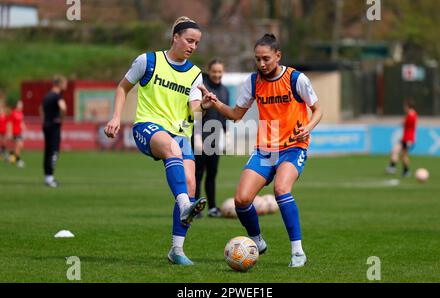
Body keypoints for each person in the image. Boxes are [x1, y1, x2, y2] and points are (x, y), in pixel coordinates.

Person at [200, 33, 323, 267]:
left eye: (266, 58)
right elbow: (237, 115)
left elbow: (317, 110)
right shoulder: (253, 81)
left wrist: (307, 128)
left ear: (278, 55)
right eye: (257, 59)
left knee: (281, 189)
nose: (262, 64)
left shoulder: (296, 79)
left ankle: (297, 251)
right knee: (241, 200)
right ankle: (257, 240)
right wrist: (214, 102)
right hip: (265, 149)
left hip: (292, 147)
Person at [104, 16, 211, 266]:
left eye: (197, 43)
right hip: (147, 127)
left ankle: (177, 250)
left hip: (180, 133)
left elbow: (194, 111)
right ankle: (186, 205)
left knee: (191, 185)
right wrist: (117, 117)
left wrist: (203, 107)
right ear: (175, 37)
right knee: (173, 153)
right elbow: (123, 88)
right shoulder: (148, 61)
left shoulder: (195, 74)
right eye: (189, 40)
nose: (193, 46)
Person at [192, 59, 230, 218]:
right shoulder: (202, 88)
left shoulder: (225, 91)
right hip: (200, 137)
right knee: (197, 174)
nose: (217, 74)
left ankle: (212, 208)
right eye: (214, 71)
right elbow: (196, 113)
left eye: (220, 71)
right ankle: (195, 208)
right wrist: (197, 137)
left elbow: (224, 115)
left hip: (215, 139)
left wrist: (227, 135)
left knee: (212, 174)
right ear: (209, 70)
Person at [40, 75, 68, 187]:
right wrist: (61, 119)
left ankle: (47, 176)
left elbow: (40, 108)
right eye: (64, 83)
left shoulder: (47, 95)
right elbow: (63, 108)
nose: (66, 85)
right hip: (54, 126)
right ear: (59, 84)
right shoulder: (57, 96)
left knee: (47, 151)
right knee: (54, 152)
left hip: (46, 125)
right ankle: (50, 178)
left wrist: (45, 119)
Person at [385, 99, 418, 177]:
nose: (404, 108)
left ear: (408, 106)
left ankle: (405, 171)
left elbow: (406, 124)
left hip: (409, 139)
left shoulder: (411, 115)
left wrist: (403, 122)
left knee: (403, 155)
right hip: (405, 138)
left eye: (405, 106)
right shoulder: (410, 114)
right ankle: (393, 167)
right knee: (395, 150)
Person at [7, 99, 26, 168]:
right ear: (17, 105)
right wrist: (10, 132)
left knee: (19, 146)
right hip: (14, 132)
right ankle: (18, 160)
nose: (21, 106)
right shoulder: (13, 113)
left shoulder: (21, 113)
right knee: (19, 145)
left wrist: (24, 127)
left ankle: (11, 156)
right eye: (20, 104)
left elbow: (21, 122)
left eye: (22, 104)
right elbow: (10, 123)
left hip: (19, 132)